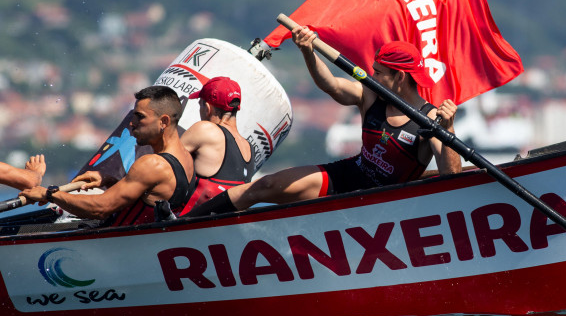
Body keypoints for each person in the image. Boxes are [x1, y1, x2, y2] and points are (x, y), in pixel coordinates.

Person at [186, 25, 461, 216]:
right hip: (350, 176)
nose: (372, 77)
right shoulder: (371, 96)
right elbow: (330, 84)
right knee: (265, 186)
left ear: (399, 77)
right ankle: (184, 225)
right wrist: (308, 51)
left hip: (386, 201)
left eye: (378, 72)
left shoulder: (431, 120)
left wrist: (448, 130)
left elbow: (451, 177)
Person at [21, 86, 196, 226]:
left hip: (123, 250)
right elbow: (152, 195)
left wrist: (50, 193)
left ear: (163, 121)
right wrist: (110, 180)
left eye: (140, 117)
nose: (131, 123)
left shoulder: (152, 164)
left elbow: (100, 208)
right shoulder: (186, 157)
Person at [178, 76, 255, 215]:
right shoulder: (249, 148)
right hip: (226, 230)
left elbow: (166, 162)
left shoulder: (205, 129)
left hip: (188, 226)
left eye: (200, 104)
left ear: (207, 107)